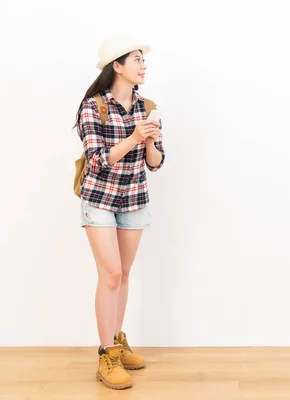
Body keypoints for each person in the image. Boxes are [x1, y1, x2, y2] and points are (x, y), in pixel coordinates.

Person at [73, 32, 165, 390]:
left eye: (144, 60)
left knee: (124, 274)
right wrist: (132, 137)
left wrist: (151, 140)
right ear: (118, 66)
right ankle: (106, 355)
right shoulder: (93, 106)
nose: (144, 65)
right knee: (110, 274)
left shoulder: (147, 106)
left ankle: (117, 338)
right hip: (99, 198)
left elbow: (155, 164)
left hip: (134, 199)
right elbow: (96, 162)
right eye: (137, 59)